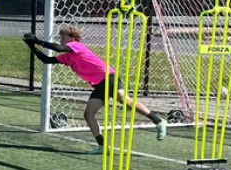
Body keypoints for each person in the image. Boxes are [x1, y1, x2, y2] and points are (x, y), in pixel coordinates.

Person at [24, 25, 167, 154]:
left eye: (63, 37)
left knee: (124, 100)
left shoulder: (77, 46)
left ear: (72, 38)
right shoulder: (68, 57)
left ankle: (158, 121)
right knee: (89, 114)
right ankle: (102, 146)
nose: (61, 39)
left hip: (108, 77)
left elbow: (58, 48)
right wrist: (33, 46)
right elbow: (47, 60)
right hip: (99, 84)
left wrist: (39, 41)